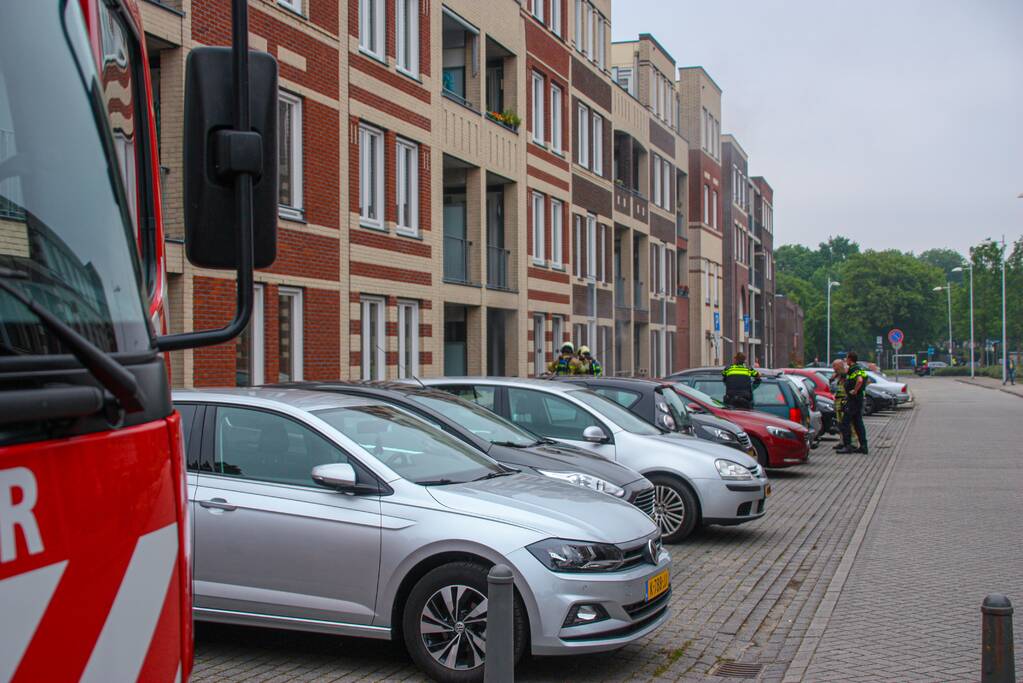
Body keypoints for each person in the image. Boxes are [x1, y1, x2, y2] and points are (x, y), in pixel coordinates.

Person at [838, 351, 868, 454]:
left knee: (845, 422)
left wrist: (855, 391)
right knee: (858, 423)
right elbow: (864, 381)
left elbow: (859, 380)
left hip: (854, 400)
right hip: (858, 400)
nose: (846, 360)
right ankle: (863, 446)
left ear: (850, 359)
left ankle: (847, 446)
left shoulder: (855, 369)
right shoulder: (859, 368)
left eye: (846, 358)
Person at [830, 359, 856, 451]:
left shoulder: (845, 374)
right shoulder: (838, 375)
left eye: (835, 366)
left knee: (847, 423)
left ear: (840, 366)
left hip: (844, 401)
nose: (833, 369)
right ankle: (842, 441)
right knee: (840, 423)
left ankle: (852, 442)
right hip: (838, 401)